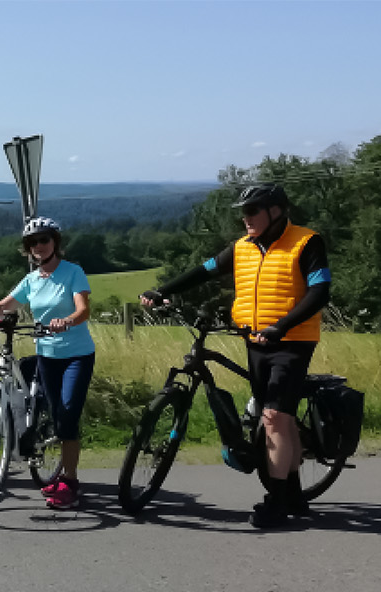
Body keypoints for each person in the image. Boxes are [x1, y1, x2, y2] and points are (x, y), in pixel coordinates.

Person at [141, 183, 330, 529]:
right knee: (279, 418)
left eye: (253, 211)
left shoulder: (306, 242)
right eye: (243, 212)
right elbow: (204, 271)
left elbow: (320, 292)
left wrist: (281, 325)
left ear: (276, 211)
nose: (245, 218)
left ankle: (275, 502)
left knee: (272, 417)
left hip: (293, 341)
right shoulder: (242, 248)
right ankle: (294, 494)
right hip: (254, 340)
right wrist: (163, 290)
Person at [0, 217, 95, 510]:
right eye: (32, 243)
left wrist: (66, 321)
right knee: (55, 412)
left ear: (55, 241)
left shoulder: (73, 272)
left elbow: (83, 310)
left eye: (43, 240)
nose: (38, 247)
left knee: (68, 415)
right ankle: (42, 451)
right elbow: (3, 306)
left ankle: (70, 481)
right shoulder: (32, 280)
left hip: (76, 354)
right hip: (47, 354)